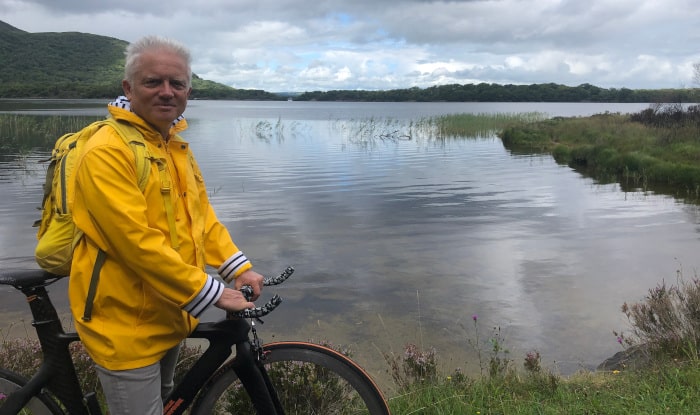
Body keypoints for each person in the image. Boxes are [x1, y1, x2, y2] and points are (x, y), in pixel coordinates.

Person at [67, 35, 264, 414]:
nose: (166, 92)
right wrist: (214, 292)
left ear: (189, 90)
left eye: (176, 83)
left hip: (169, 310)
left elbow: (201, 217)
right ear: (128, 87)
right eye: (152, 82)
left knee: (168, 402)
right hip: (124, 323)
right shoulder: (108, 150)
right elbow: (134, 243)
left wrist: (237, 267)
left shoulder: (173, 145)